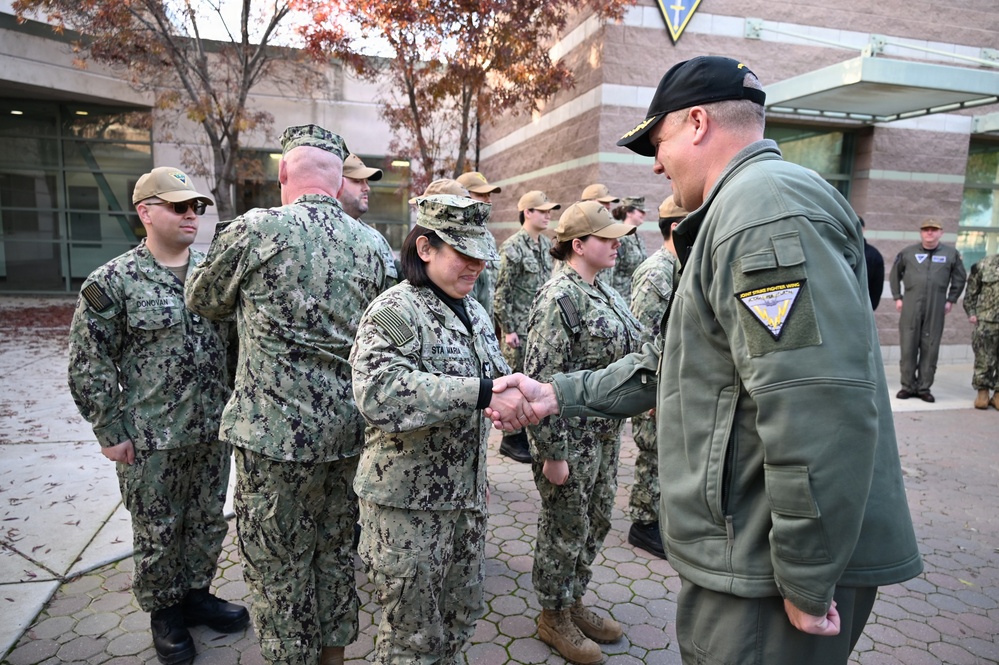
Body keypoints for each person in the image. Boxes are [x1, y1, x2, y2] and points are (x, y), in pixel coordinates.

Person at [487, 56, 922, 665]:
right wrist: (557, 393)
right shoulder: (746, 209)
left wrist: (804, 572)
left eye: (657, 144)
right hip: (750, 549)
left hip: (766, 563)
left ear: (696, 123)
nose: (657, 164)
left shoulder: (761, 212)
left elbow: (815, 403)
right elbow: (679, 366)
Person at [185, 124, 389, 665]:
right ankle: (333, 657)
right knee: (336, 556)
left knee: (279, 568)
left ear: (282, 175)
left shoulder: (254, 230)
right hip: (349, 435)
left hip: (273, 441)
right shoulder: (372, 244)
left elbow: (202, 299)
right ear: (338, 179)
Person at [68, 167, 249, 665]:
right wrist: (109, 430)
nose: (191, 214)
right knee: (157, 529)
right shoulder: (113, 282)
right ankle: (163, 611)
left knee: (207, 521)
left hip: (213, 430)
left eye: (197, 207)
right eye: (178, 206)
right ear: (146, 212)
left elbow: (240, 347)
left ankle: (195, 594)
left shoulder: (216, 274)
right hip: (152, 437)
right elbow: (90, 362)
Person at [349, 194, 514, 663]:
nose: (477, 265)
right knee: (411, 637)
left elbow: (494, 380)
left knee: (461, 618)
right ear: (425, 248)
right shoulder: (395, 311)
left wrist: (514, 400)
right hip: (407, 510)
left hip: (465, 501)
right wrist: (480, 392)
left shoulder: (475, 312)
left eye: (482, 253)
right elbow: (379, 394)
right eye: (464, 253)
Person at [523, 200, 641, 664]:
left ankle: (573, 600)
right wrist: (552, 453)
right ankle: (553, 616)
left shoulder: (603, 290)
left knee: (595, 522)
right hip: (571, 440)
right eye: (606, 237)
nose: (616, 244)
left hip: (606, 436)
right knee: (565, 528)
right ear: (578, 244)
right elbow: (540, 382)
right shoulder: (559, 298)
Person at [625, 195, 686, 560]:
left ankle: (657, 515)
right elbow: (641, 336)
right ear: (678, 227)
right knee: (653, 452)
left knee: (665, 452)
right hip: (654, 382)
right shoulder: (657, 271)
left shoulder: (678, 267)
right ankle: (644, 523)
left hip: (670, 380)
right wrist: (648, 392)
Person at [492, 189, 561, 463]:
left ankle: (527, 437)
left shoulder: (545, 246)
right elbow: (502, 292)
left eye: (549, 211)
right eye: (542, 211)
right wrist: (507, 328)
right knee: (515, 381)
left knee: (534, 380)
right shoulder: (512, 247)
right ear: (527, 212)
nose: (548, 215)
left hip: (538, 329)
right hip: (518, 331)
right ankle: (511, 439)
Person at [889, 219, 967, 402]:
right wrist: (897, 297)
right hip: (910, 304)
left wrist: (951, 300)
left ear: (941, 232)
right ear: (921, 233)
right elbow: (895, 274)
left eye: (934, 230)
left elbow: (960, 278)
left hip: (936, 305)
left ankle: (924, 388)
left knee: (930, 347)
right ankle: (907, 386)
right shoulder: (907, 253)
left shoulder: (951, 254)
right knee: (908, 346)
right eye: (926, 230)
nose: (929, 233)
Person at [337, 153, 399, 292]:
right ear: (336, 182)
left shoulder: (375, 238)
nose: (367, 188)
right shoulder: (317, 230)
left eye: (366, 181)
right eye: (357, 181)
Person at [457, 171, 502, 318]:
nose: (488, 200)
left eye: (489, 195)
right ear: (463, 196)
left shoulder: (487, 236)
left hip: (484, 322)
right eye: (481, 195)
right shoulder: (455, 236)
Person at [963, 252, 999, 409]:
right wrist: (971, 312)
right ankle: (982, 392)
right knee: (983, 358)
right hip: (986, 321)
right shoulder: (984, 264)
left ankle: (998, 395)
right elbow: (971, 291)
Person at [607, 196, 648, 300]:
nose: (644, 214)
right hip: (621, 298)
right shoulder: (620, 239)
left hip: (636, 297)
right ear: (629, 213)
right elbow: (610, 272)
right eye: (640, 211)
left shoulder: (639, 238)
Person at [859, 216, 884, 310]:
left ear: (863, 229)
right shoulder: (838, 251)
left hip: (863, 308)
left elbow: (877, 286)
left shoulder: (873, 255)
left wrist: (869, 308)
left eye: (858, 227)